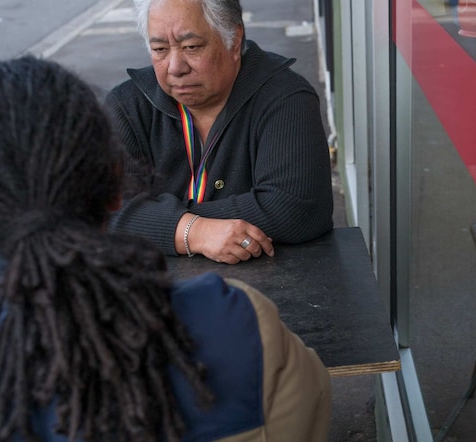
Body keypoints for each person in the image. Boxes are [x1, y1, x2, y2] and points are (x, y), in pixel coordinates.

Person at [0, 57, 358, 442]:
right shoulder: (236, 327)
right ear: (115, 189)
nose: (175, 64)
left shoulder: (280, 94)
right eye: (159, 47)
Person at [106, 0, 334, 264]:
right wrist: (196, 232)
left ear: (234, 41)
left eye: (191, 47)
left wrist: (151, 219)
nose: (175, 67)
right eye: (160, 49)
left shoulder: (285, 96)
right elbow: (97, 211)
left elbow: (296, 209)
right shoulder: (128, 106)